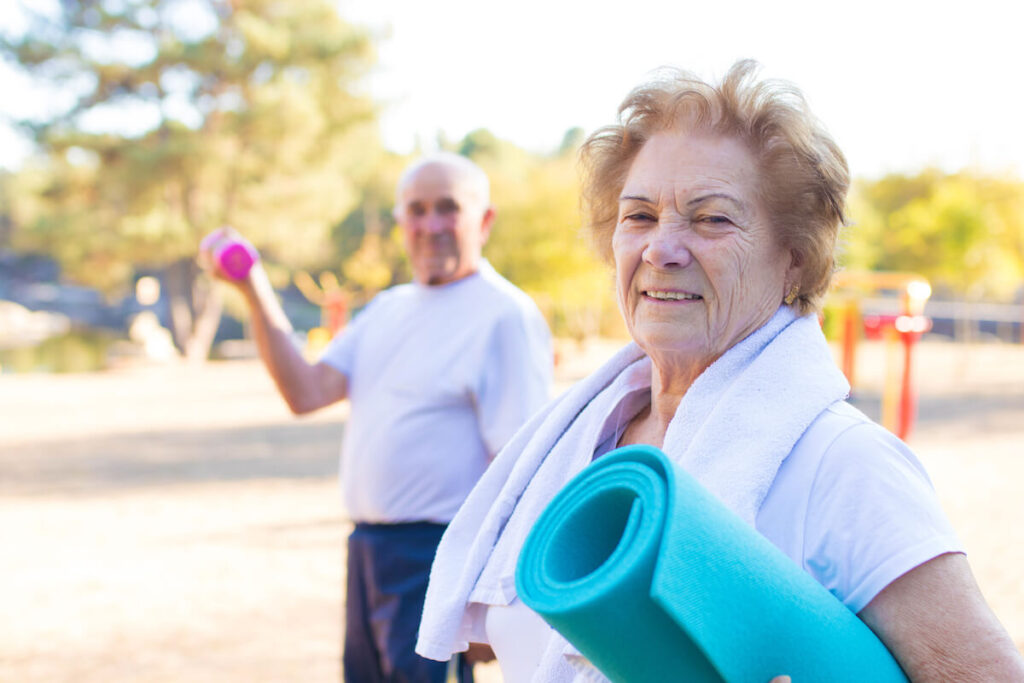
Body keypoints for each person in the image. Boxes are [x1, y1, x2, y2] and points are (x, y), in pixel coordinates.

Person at [416, 62, 1024, 682]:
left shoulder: (845, 464)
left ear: (795, 257)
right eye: (640, 216)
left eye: (711, 219)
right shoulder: (576, 443)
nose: (662, 249)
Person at [201, 152, 553, 682]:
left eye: (448, 209)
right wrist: (252, 287)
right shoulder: (388, 309)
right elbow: (306, 390)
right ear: (400, 222)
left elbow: (522, 470)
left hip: (436, 561)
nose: (431, 225)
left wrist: (494, 600)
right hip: (368, 552)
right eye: (417, 210)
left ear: (484, 221)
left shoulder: (504, 314)